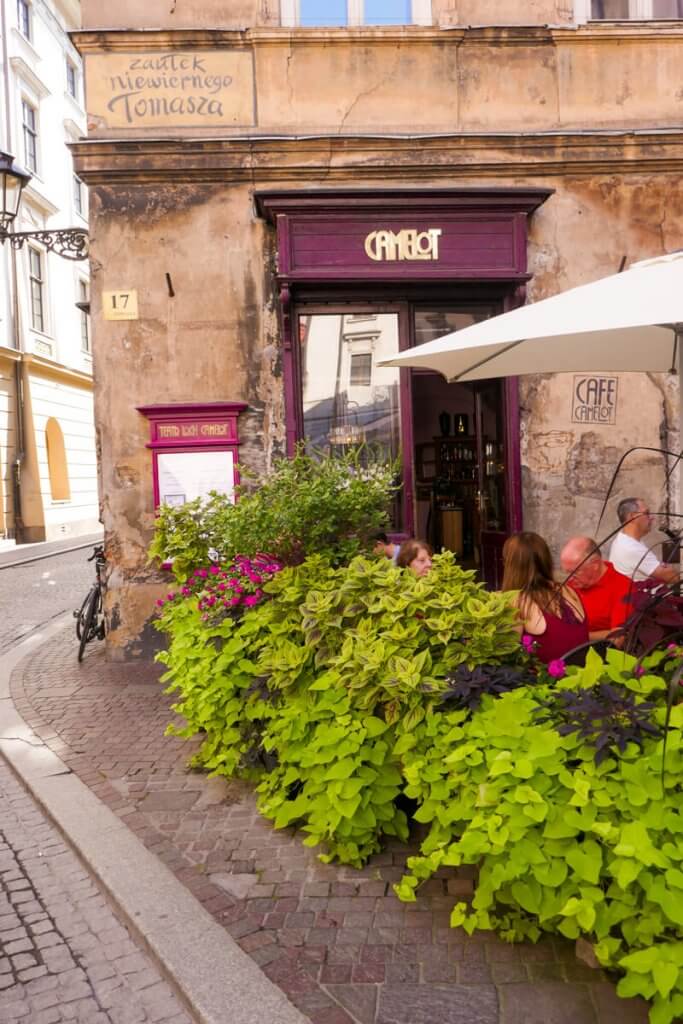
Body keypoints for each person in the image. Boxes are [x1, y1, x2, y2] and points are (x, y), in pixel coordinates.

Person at [502, 531, 588, 664]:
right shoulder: (569, 590)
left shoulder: (517, 601)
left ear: (510, 566)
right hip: (582, 676)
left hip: (547, 682)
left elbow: (507, 656)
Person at [560, 536, 632, 641]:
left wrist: (576, 637)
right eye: (567, 572)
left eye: (574, 572)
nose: (570, 578)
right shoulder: (572, 585)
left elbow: (618, 637)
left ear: (595, 564)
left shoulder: (623, 587)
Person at [608, 497, 679, 584]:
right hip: (646, 597)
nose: (652, 518)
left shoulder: (623, 539)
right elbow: (673, 577)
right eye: (647, 513)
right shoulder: (630, 548)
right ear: (632, 516)